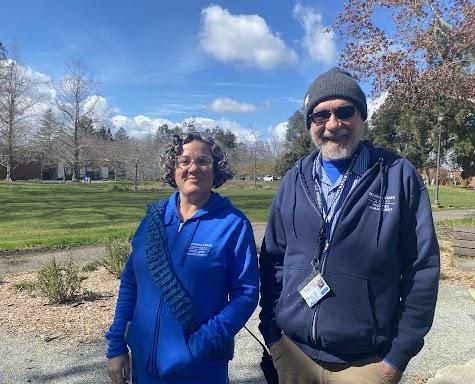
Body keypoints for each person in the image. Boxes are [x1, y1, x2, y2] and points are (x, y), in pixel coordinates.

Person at [259, 67, 440, 384]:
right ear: (310, 124)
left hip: (366, 364)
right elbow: (273, 259)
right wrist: (272, 334)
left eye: (345, 111)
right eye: (320, 115)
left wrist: (396, 358)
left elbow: (422, 270)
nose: (333, 125)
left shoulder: (398, 176)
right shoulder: (294, 180)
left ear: (361, 116)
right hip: (293, 353)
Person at [106, 132, 259, 384]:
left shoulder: (233, 224)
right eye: (184, 161)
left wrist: (199, 345)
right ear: (172, 168)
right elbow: (131, 282)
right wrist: (117, 345)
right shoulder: (153, 219)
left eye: (203, 161)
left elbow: (246, 294)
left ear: (216, 169)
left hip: (200, 367)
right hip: (144, 368)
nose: (193, 168)